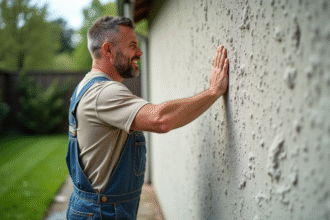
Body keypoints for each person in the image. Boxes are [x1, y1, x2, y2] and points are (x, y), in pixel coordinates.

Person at [66, 16, 229, 220]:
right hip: (102, 214)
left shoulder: (85, 86)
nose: (140, 52)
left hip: (92, 208)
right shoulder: (104, 93)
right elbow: (160, 119)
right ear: (108, 50)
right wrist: (213, 92)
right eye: (132, 45)